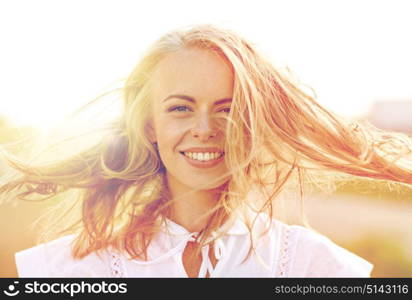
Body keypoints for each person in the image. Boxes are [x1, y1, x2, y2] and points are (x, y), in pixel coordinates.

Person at [1, 24, 411, 278]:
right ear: (149, 126)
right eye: (180, 108)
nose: (204, 130)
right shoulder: (66, 269)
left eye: (229, 110)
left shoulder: (317, 266)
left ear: (256, 124)